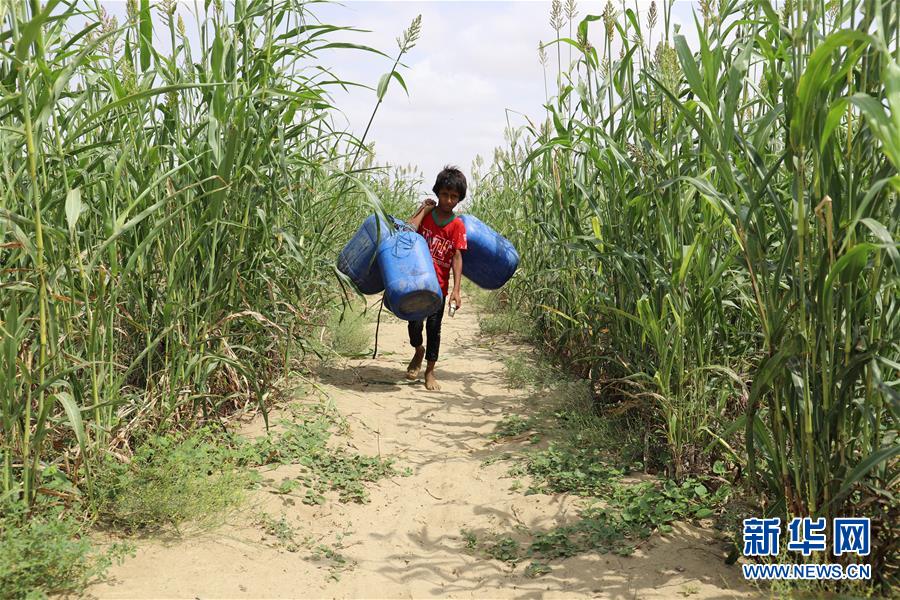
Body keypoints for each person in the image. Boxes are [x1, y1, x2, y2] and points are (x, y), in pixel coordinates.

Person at [405, 166, 468, 391]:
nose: (448, 200)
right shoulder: (428, 216)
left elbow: (457, 257)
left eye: (454, 197)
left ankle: (430, 371)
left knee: (434, 328)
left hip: (439, 288)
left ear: (459, 199)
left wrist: (456, 290)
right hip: (416, 283)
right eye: (444, 194)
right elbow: (408, 230)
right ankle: (418, 350)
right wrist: (423, 209)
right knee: (414, 323)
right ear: (437, 192)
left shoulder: (457, 225)